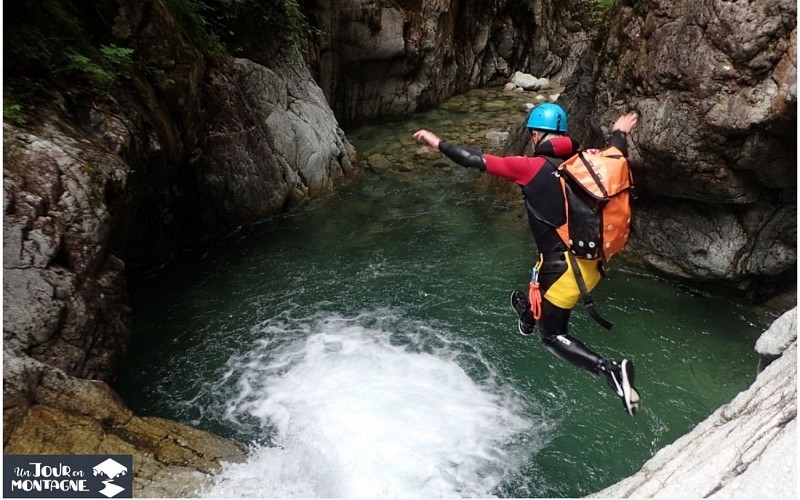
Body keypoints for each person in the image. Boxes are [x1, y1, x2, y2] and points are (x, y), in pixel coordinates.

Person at [413, 103, 641, 416]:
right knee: (538, 279)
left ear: (535, 134)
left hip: (564, 270)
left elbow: (474, 160)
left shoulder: (530, 167)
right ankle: (527, 315)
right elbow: (617, 152)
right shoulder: (586, 162)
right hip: (591, 264)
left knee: (552, 336)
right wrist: (619, 133)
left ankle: (611, 370)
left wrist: (437, 142)